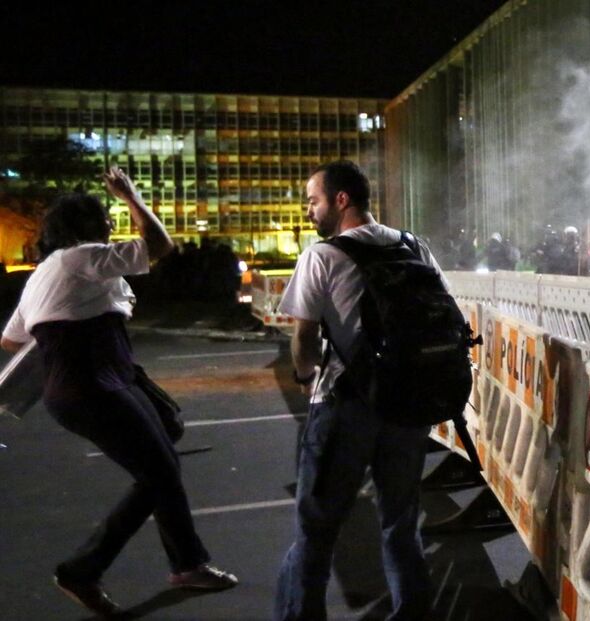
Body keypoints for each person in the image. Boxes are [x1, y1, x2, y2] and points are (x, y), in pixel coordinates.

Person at [0, 167, 237, 617]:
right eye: (104, 218)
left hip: (92, 383)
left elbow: (11, 339)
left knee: (165, 446)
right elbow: (161, 245)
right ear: (83, 229)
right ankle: (87, 570)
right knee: (161, 471)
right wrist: (130, 195)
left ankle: (185, 563)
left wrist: (61, 315)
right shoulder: (80, 257)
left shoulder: (45, 274)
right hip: (92, 385)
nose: (111, 224)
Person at [274, 161, 438, 621]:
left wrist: (308, 381)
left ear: (341, 199)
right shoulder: (412, 245)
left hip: (346, 405)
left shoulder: (322, 256)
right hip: (408, 405)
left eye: (313, 200)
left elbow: (304, 338)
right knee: (401, 525)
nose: (309, 210)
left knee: (317, 530)